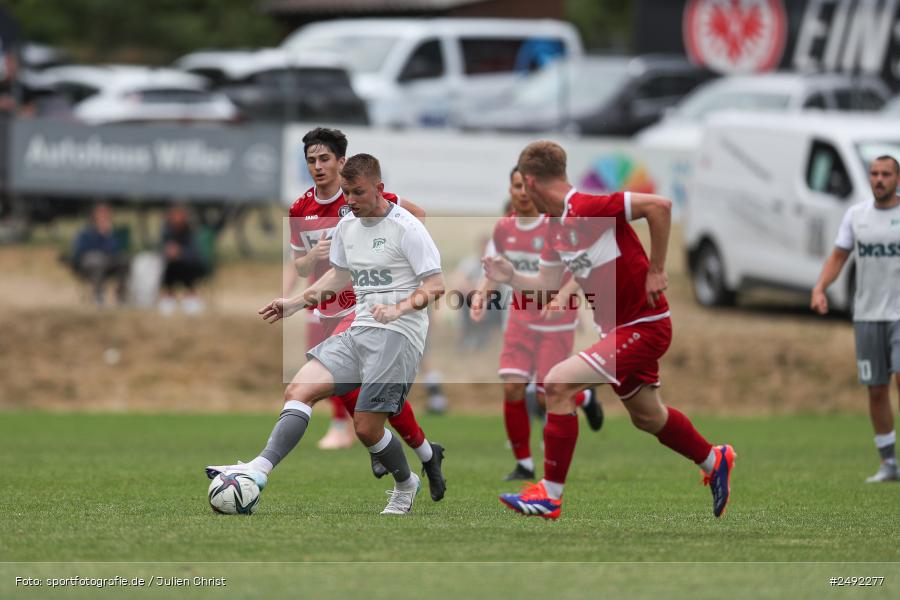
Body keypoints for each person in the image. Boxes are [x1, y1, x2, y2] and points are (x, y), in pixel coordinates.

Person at [482, 141, 735, 520]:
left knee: (557, 382)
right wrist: (510, 276)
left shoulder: (584, 207)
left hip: (644, 326)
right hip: (617, 330)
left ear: (531, 182)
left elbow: (659, 206)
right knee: (648, 417)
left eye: (522, 184)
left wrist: (656, 269)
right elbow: (547, 284)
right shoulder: (556, 230)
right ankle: (714, 459)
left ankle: (549, 495)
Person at [208, 154, 445, 515]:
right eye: (347, 193)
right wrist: (293, 303)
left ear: (380, 189)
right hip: (360, 329)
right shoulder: (348, 224)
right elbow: (337, 277)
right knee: (298, 390)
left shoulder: (408, 227)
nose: (350, 201)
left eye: (358, 193)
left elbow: (436, 285)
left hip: (399, 335)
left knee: (367, 429)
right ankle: (257, 471)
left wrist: (398, 309)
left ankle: (405, 483)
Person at [285, 130, 445, 501]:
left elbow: (414, 217)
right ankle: (416, 452)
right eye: (312, 160)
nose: (318, 166)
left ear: (341, 162)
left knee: (367, 403)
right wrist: (307, 271)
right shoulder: (300, 209)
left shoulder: (364, 198)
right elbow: (302, 264)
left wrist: (402, 269)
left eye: (325, 159)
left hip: (364, 310)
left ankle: (384, 451)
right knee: (361, 398)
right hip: (327, 307)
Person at [471, 166, 603, 481]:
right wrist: (480, 295)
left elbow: (583, 264)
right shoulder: (504, 229)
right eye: (515, 186)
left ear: (534, 190)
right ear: (510, 190)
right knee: (513, 387)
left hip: (556, 321)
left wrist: (564, 298)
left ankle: (585, 396)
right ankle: (524, 464)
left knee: (546, 395)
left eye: (525, 186)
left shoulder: (556, 226)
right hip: (520, 318)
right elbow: (495, 268)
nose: (521, 192)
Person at [811, 155, 900, 483]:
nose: (879, 179)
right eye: (875, 174)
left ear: (897, 179)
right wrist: (821, 287)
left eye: (886, 174)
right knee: (876, 389)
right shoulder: (856, 216)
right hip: (867, 315)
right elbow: (838, 257)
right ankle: (889, 463)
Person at [71, 203, 129, 306]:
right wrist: (98, 236)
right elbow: (81, 250)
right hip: (90, 263)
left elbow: (115, 250)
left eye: (107, 214)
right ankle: (99, 296)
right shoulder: (86, 233)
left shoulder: (113, 233)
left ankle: (121, 296)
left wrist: (107, 235)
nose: (104, 216)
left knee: (124, 260)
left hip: (109, 262)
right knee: (97, 260)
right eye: (101, 213)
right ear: (94, 216)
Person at [158, 205, 208, 315]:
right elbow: (160, 250)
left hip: (190, 266)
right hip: (171, 267)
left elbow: (196, 254)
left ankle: (191, 297)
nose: (176, 219)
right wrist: (168, 252)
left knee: (186, 266)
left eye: (179, 216)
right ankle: (168, 297)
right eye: (174, 216)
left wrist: (180, 253)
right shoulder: (166, 232)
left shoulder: (191, 232)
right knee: (169, 267)